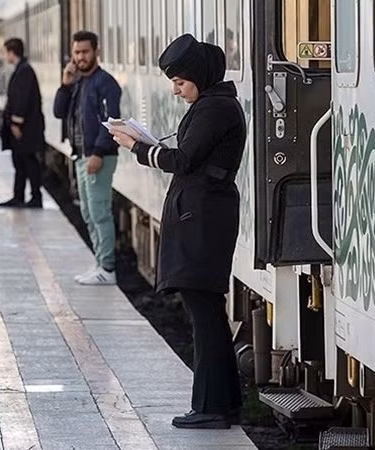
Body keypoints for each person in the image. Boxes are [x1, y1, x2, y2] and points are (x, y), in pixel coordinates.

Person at [111, 34, 246, 429]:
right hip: (204, 217)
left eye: (180, 83)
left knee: (204, 317)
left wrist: (135, 146)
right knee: (209, 316)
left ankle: (211, 408)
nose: (175, 90)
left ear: (200, 78)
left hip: (202, 222)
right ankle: (224, 404)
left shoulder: (214, 109)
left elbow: (183, 159)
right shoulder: (214, 105)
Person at [53, 31, 121, 285]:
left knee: (100, 212)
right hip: (81, 155)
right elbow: (59, 112)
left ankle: (108, 268)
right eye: (77, 53)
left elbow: (111, 120)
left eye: (85, 52)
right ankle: (100, 263)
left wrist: (99, 152)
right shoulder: (78, 82)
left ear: (96, 51)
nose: (81, 57)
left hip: (97, 156)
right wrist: (65, 84)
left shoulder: (106, 83)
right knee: (88, 213)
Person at [0, 38, 45, 208]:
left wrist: (16, 123)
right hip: (26, 127)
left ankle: (34, 196)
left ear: (12, 52)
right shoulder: (22, 69)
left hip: (26, 128)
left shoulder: (24, 71)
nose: (5, 56)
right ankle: (19, 196)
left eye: (6, 52)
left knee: (28, 162)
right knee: (20, 161)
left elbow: (22, 99)